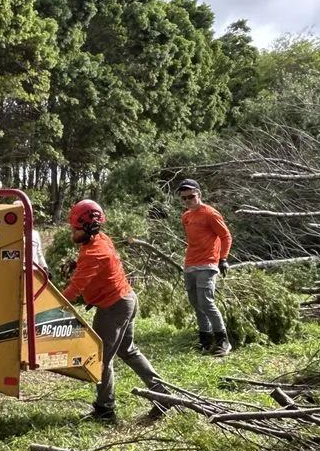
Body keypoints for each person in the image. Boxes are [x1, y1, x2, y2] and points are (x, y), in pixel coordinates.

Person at [61, 200, 166, 422]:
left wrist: (48, 306)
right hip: (126, 299)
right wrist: (75, 265)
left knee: (100, 358)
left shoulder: (94, 253)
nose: (72, 231)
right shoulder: (99, 240)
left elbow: (74, 290)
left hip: (114, 307)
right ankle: (163, 394)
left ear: (88, 228)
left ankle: (105, 410)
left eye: (75, 228)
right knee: (128, 351)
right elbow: (95, 266)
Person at [176, 179, 233, 357]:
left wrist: (223, 258)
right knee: (196, 304)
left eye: (191, 197)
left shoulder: (210, 213)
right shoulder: (186, 216)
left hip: (208, 264)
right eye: (184, 198)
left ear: (199, 194)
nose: (188, 201)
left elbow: (225, 236)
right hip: (190, 264)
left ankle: (223, 341)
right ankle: (205, 340)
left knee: (206, 302)